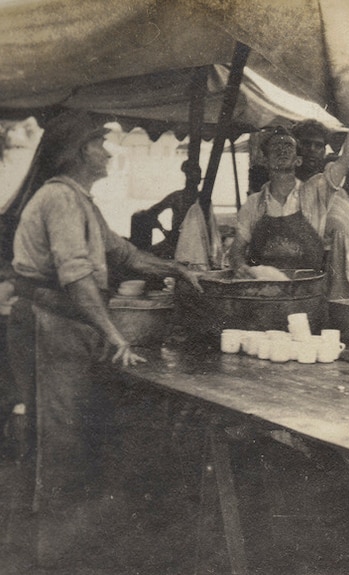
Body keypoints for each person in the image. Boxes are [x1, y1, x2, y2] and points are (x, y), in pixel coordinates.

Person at [5, 110, 203, 566]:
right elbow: (75, 279)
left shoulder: (81, 200)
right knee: (56, 435)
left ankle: (52, 545)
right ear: (78, 152)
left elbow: (124, 253)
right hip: (46, 323)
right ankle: (43, 556)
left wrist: (176, 268)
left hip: (71, 327)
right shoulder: (58, 198)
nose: (108, 151)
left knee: (69, 432)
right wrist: (114, 335)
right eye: (100, 143)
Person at [227, 124, 349, 299]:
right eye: (275, 147)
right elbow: (237, 249)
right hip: (263, 295)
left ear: (298, 160)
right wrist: (239, 267)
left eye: (288, 146)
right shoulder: (254, 204)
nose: (282, 150)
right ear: (265, 160)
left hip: (307, 295)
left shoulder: (316, 191)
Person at [131, 159, 201, 258]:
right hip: (177, 245)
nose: (191, 179)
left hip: (185, 247)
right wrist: (164, 231)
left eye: (194, 175)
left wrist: (164, 231)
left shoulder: (199, 198)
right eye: (189, 175)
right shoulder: (178, 197)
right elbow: (151, 213)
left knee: (143, 256)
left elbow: (150, 213)